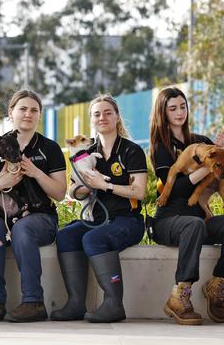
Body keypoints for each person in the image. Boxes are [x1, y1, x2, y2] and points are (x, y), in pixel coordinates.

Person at [149, 87, 224, 325]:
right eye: (172, 108)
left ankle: (219, 286)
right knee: (192, 224)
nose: (179, 112)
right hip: (168, 220)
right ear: (163, 113)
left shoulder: (202, 141)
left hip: (198, 220)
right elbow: (176, 190)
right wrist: (207, 167)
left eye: (183, 106)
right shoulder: (160, 148)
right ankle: (179, 296)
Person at [0, 89, 67, 322]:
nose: (28, 114)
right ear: (11, 113)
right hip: (0, 216)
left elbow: (60, 193)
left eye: (34, 110)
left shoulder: (49, 148)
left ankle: (33, 302)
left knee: (23, 229)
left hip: (39, 218)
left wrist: (35, 172)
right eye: (22, 109)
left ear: (40, 116)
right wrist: (0, 183)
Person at [54, 94, 147, 323]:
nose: (102, 117)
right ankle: (76, 303)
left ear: (117, 117)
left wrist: (104, 185)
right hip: (97, 219)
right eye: (97, 114)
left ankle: (114, 304)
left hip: (128, 220)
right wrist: (85, 188)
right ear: (91, 120)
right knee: (66, 236)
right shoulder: (86, 152)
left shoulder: (131, 151)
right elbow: (72, 191)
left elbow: (139, 192)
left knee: (93, 239)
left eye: (108, 112)